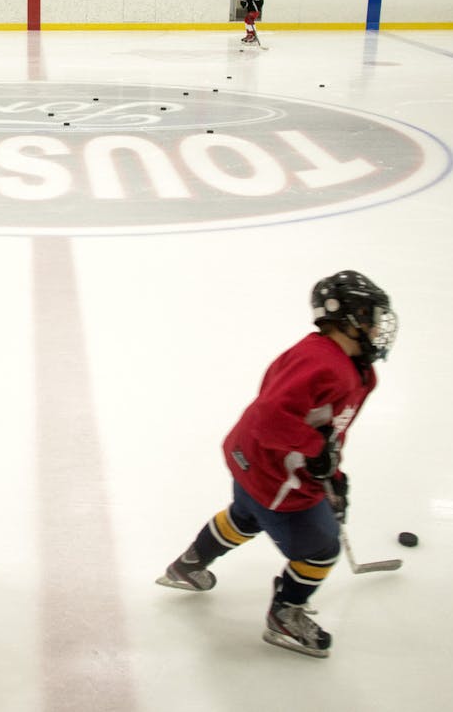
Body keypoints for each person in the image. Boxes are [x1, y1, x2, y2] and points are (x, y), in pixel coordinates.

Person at [156, 271, 398, 659]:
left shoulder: (353, 368)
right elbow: (269, 416)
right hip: (276, 475)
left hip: (252, 462)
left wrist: (332, 472)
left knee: (245, 515)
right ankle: (286, 616)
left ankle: (189, 565)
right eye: (368, 314)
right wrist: (314, 452)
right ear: (345, 317)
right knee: (321, 548)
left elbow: (327, 429)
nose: (375, 324)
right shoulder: (324, 365)